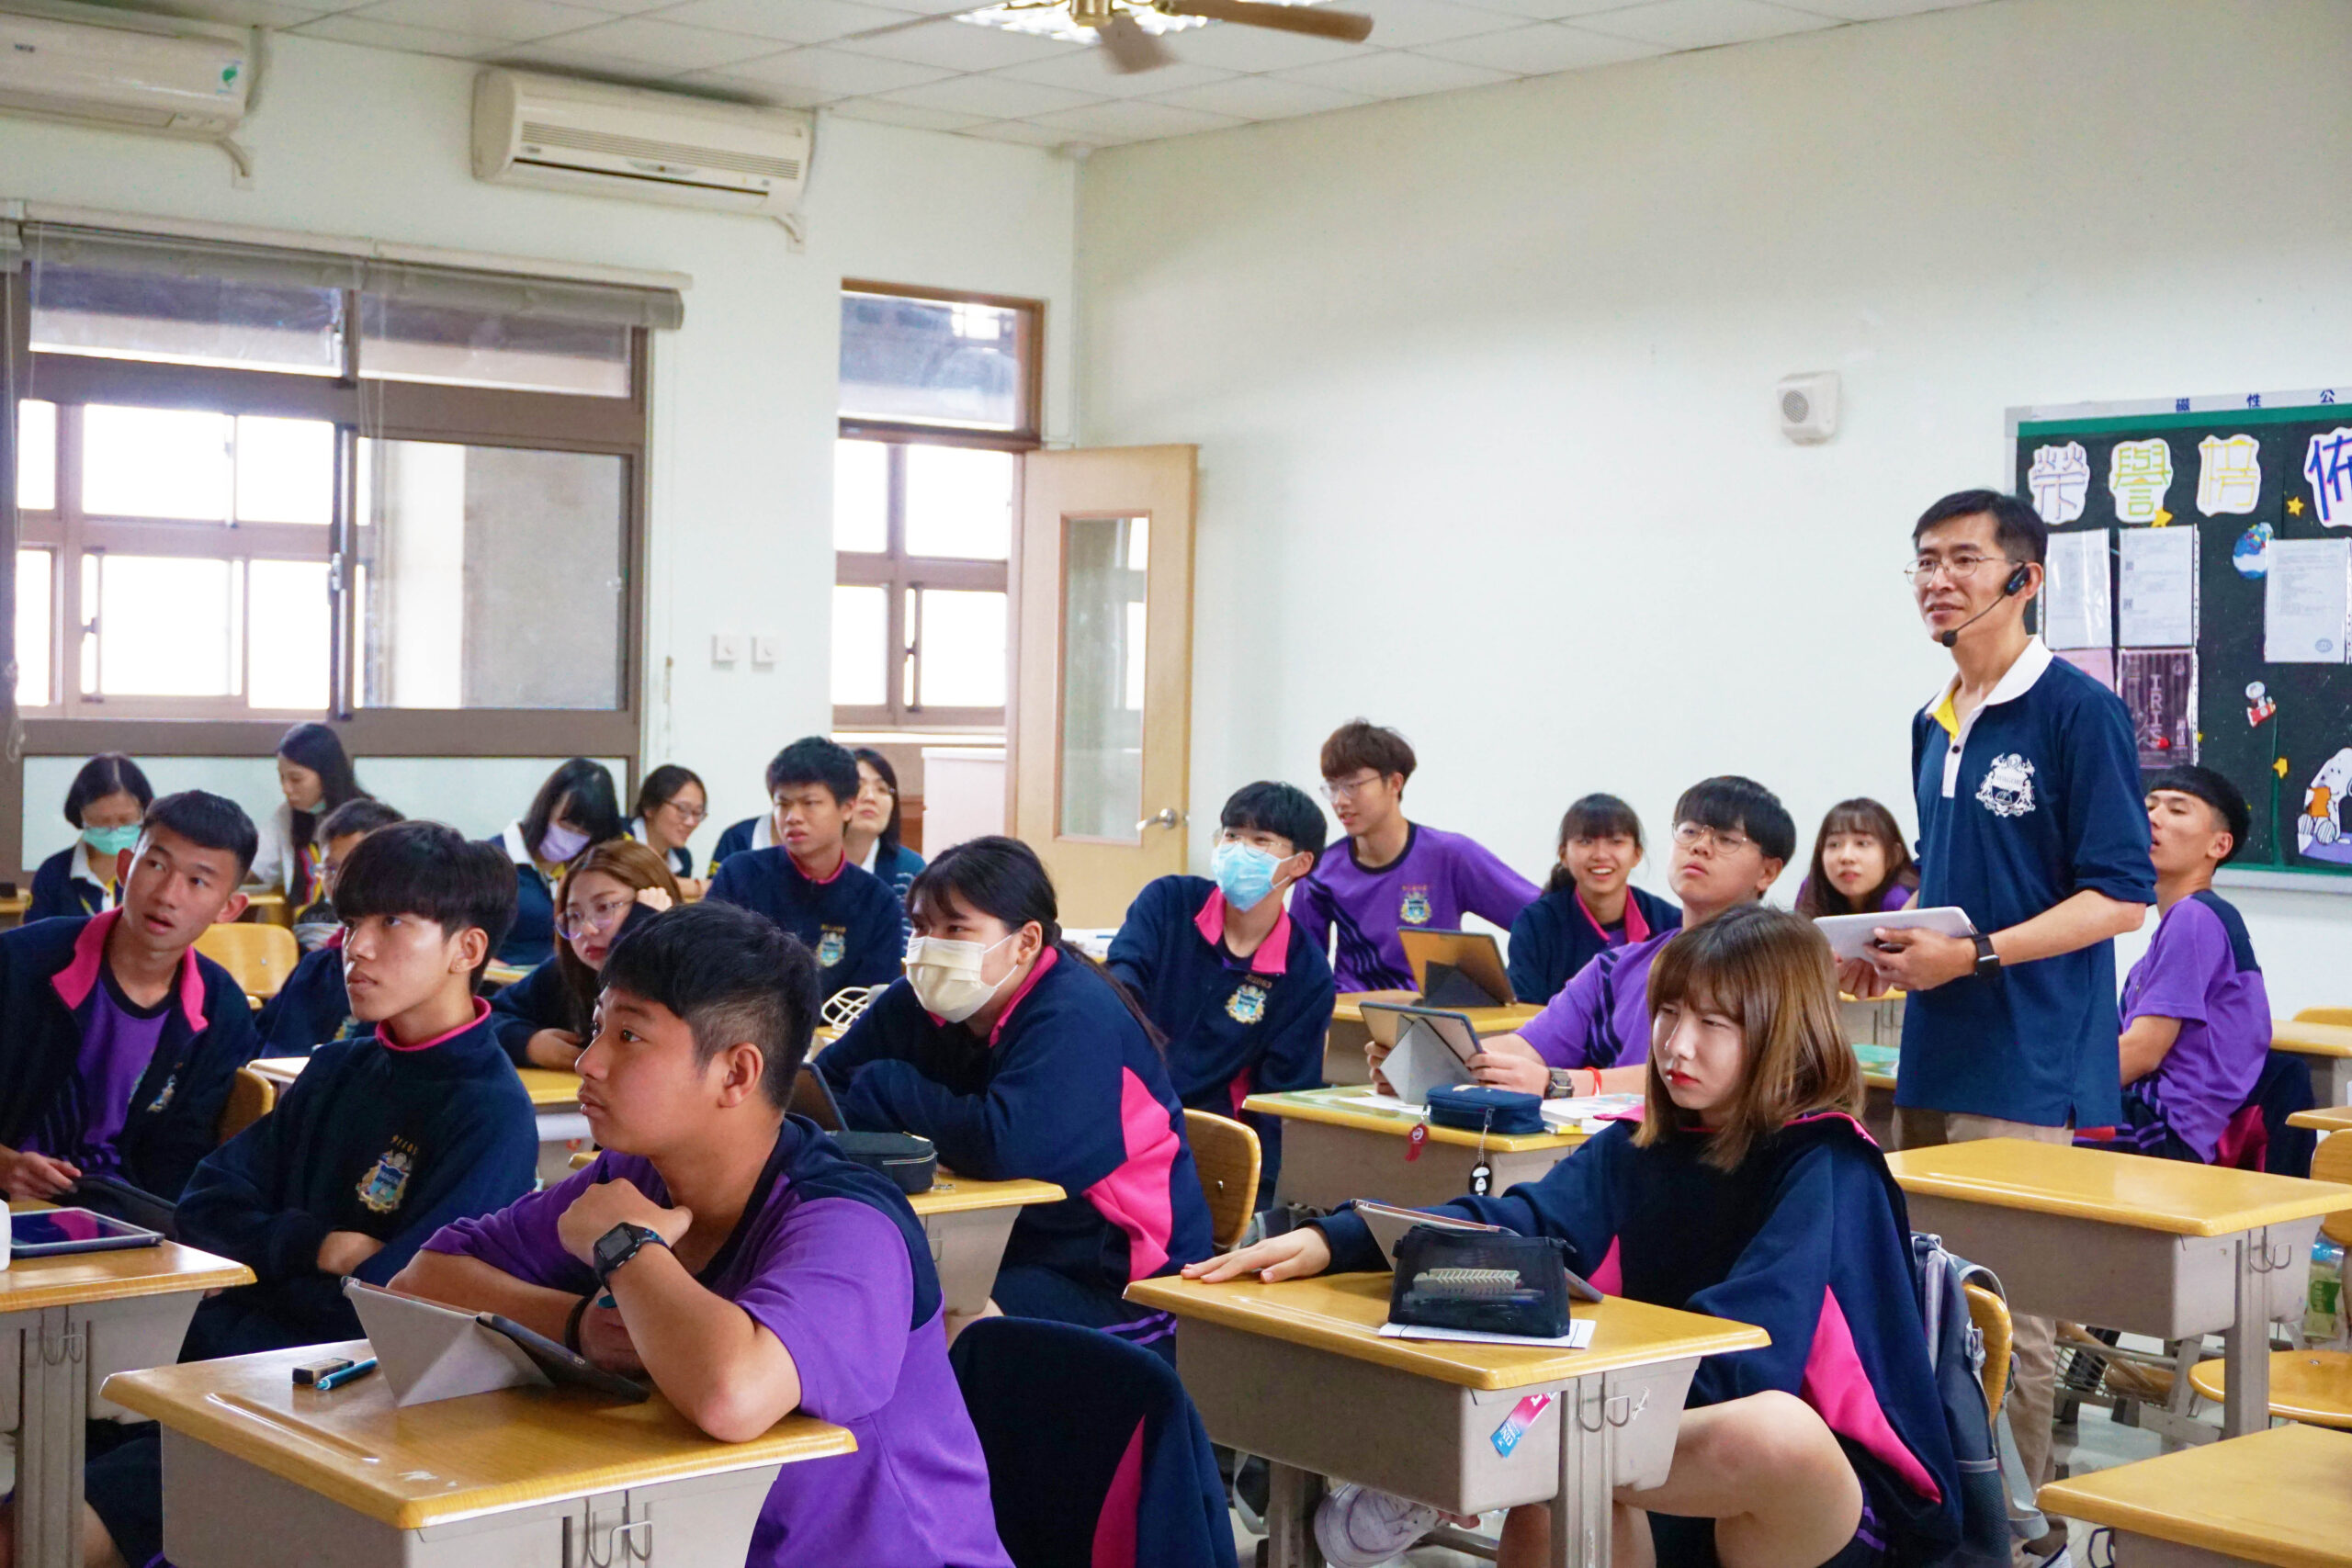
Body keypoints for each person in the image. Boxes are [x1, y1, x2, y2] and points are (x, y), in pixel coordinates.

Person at [1190, 908, 1962, 1568]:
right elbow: (1517, 1222)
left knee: (1769, 1430)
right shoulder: (1641, 1143)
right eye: (1668, 1013)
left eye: (1714, 1024)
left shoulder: (1829, 1163)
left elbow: (1751, 1358)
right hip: (1649, 1457)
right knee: (1554, 1489)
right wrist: (1342, 1237)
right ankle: (1508, 1454)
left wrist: (1563, 1421)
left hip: (1821, 1501)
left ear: (1782, 1033)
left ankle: (1497, 1453)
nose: (1676, 1045)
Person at [393, 900, 1012, 1568]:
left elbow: (732, 1395)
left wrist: (626, 1248)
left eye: (629, 1036)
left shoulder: (849, 1225)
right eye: (597, 1027)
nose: (589, 1062)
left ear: (736, 1073)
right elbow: (422, 1279)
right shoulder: (636, 1174)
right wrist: (578, 1326)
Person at [61, 821, 540, 1568]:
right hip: (210, 1373)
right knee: (44, 1470)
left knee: (43, 1530)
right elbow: (205, 1206)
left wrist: (269, 1256)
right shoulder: (337, 1068)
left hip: (322, 1409)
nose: (357, 947)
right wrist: (315, 1245)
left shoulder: (489, 1111)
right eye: (352, 921)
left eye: (392, 923)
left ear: (467, 948)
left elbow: (393, 1302)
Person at [1852, 489, 2152, 1551]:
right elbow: (1959, 882)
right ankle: (1942, 1519)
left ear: (2023, 579)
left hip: (2028, 1060)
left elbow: (2119, 897)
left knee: (2006, 1316)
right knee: (1925, 1300)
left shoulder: (2077, 711)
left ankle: (2020, 1538)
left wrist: (1973, 954)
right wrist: (1892, 954)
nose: (1937, 580)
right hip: (1936, 1049)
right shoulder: (1933, 720)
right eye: (1924, 561)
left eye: (1963, 560)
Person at [817, 837, 1213, 1360]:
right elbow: (822, 1090)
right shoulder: (919, 1002)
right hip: (997, 1246)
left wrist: (887, 1086)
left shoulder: (1076, 1017)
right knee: (845, 1295)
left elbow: (1007, 1148)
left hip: (1120, 1279)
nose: (930, 946)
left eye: (955, 929)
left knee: (949, 1332)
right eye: (921, 927)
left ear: (1025, 942)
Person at [1453, 777, 1791, 1100]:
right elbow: (1527, 1047)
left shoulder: (1782, 969)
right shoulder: (1615, 967)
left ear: (1767, 872)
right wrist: (1443, 1054)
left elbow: (1728, 1075)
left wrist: (1563, 1083)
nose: (1700, 846)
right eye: (1689, 831)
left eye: (1726, 840)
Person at [0, 792, 261, 1205]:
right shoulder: (21, 963)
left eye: (197, 881)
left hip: (127, 1217)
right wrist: (4, 1165)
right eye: (155, 865)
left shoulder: (221, 1009)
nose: (167, 895)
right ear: (125, 867)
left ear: (229, 908)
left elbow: (183, 1158)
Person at [1107, 782, 1336, 1203]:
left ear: (1300, 863)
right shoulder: (1169, 902)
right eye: (1231, 835)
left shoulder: (1306, 973)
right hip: (1117, 1109)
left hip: (1204, 1144)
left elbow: (1280, 1104)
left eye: (1260, 841)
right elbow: (1118, 993)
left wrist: (1258, 1205)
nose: (1237, 850)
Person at [2082, 766, 2268, 1166]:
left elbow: (2142, 1052)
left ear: (2219, 845)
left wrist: (2044, 1094)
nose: (2153, 818)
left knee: (2013, 1130)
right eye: (2149, 806)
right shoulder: (2182, 924)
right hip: (2150, 1120)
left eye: (2177, 810)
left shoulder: (2195, 918)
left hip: (2164, 1132)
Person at [1294, 721, 1539, 995]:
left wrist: (1514, 988)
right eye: (1332, 787)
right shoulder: (1320, 872)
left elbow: (1544, 919)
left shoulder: (1450, 855)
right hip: (1351, 1012)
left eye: (1352, 785)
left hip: (1431, 1013)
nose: (1340, 800)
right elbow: (1300, 970)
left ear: (1394, 783)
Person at [707, 738, 906, 999]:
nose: (793, 817)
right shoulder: (740, 875)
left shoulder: (877, 903)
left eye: (809, 803)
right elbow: (708, 970)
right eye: (783, 804)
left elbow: (869, 1005)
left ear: (847, 808)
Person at [491, 840, 680, 1071]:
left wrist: (639, 937)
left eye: (604, 907)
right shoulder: (563, 973)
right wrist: (530, 1044)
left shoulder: (693, 975)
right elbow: (485, 1018)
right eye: (574, 915)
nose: (587, 928)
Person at [254, 798, 406, 1055]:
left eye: (357, 868)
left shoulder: (408, 969)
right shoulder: (316, 967)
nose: (341, 881)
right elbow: (271, 1049)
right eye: (332, 869)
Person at [1507, 794, 1682, 1005]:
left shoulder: (1670, 925)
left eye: (1616, 842)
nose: (1600, 855)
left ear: (1637, 854)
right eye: (1585, 842)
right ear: (1563, 855)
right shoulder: (1535, 924)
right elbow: (1525, 1013)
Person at [492, 757, 626, 969]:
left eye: (584, 832)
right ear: (547, 807)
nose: (572, 836)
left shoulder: (584, 869)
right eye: (566, 824)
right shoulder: (491, 862)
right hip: (504, 980)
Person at [251, 722, 370, 918]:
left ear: (327, 774)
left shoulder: (369, 819)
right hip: (304, 927)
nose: (286, 789)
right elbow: (255, 866)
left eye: (296, 779)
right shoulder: (286, 816)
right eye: (282, 778)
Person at [27, 754, 153, 922]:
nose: (114, 830)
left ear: (144, 813)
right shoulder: (53, 873)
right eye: (102, 821)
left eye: (125, 820)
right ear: (80, 815)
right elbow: (33, 935)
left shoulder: (154, 869)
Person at [1793, 799, 1920, 918]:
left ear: (1895, 855)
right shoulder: (1811, 891)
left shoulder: (1900, 901)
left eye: (1862, 844)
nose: (1846, 857)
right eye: (1834, 844)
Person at [847, 748, 926, 931]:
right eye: (858, 787)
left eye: (882, 789)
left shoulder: (909, 870)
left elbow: (909, 943)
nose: (870, 797)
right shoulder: (810, 864)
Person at [630, 764, 708, 898]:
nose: (691, 822)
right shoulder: (619, 838)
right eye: (682, 809)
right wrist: (698, 887)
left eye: (697, 813)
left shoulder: (682, 858)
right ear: (650, 806)